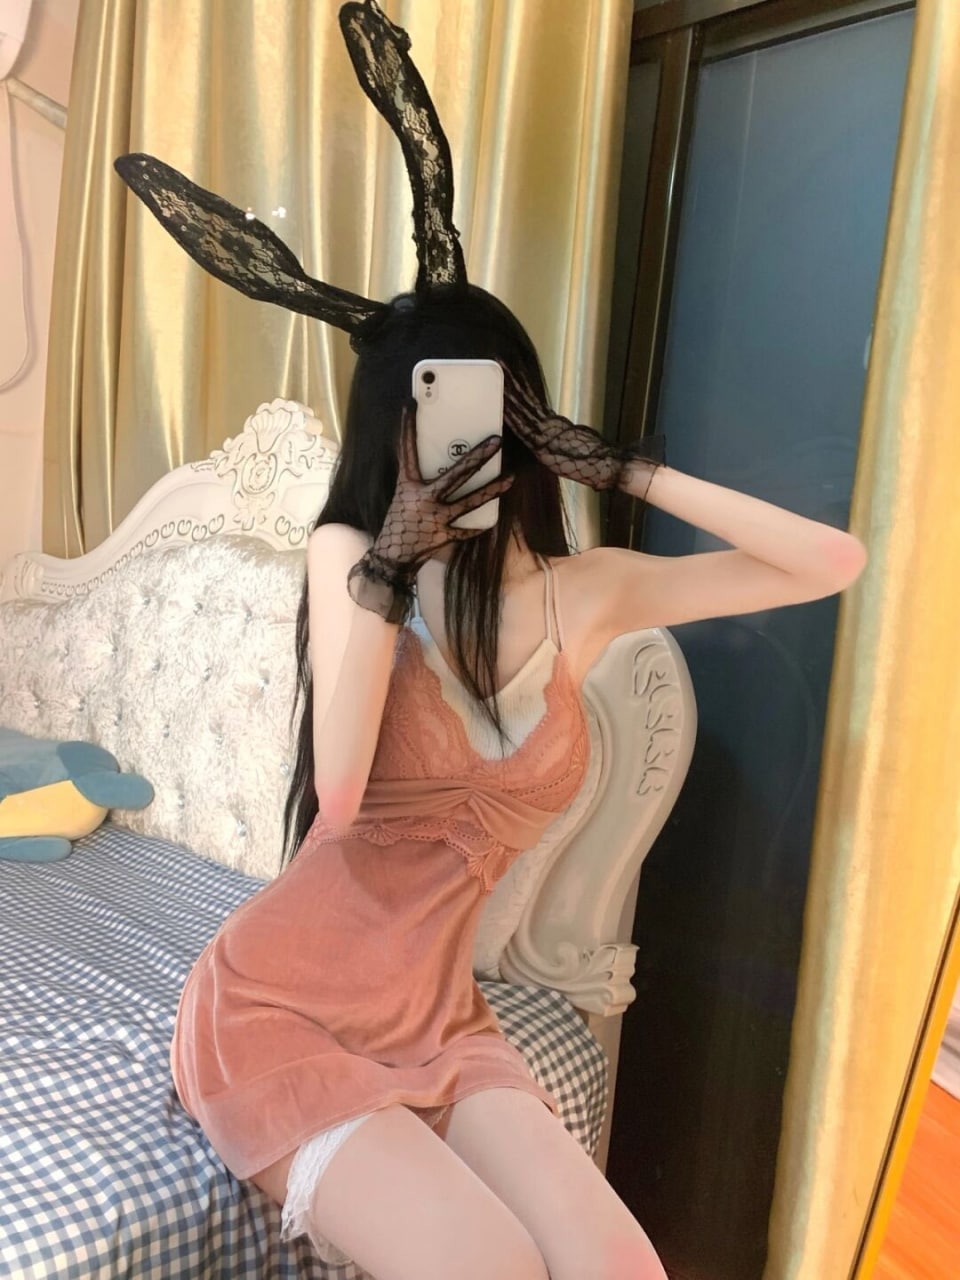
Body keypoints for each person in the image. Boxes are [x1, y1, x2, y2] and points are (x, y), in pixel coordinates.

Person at [114, 9, 867, 1276]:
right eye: (434, 406)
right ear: (390, 428)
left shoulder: (594, 589)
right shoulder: (347, 558)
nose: (466, 434)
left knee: (624, 1265)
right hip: (278, 1000)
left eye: (490, 402)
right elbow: (339, 794)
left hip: (438, 1013)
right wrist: (395, 558)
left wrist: (620, 463)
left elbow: (829, 562)